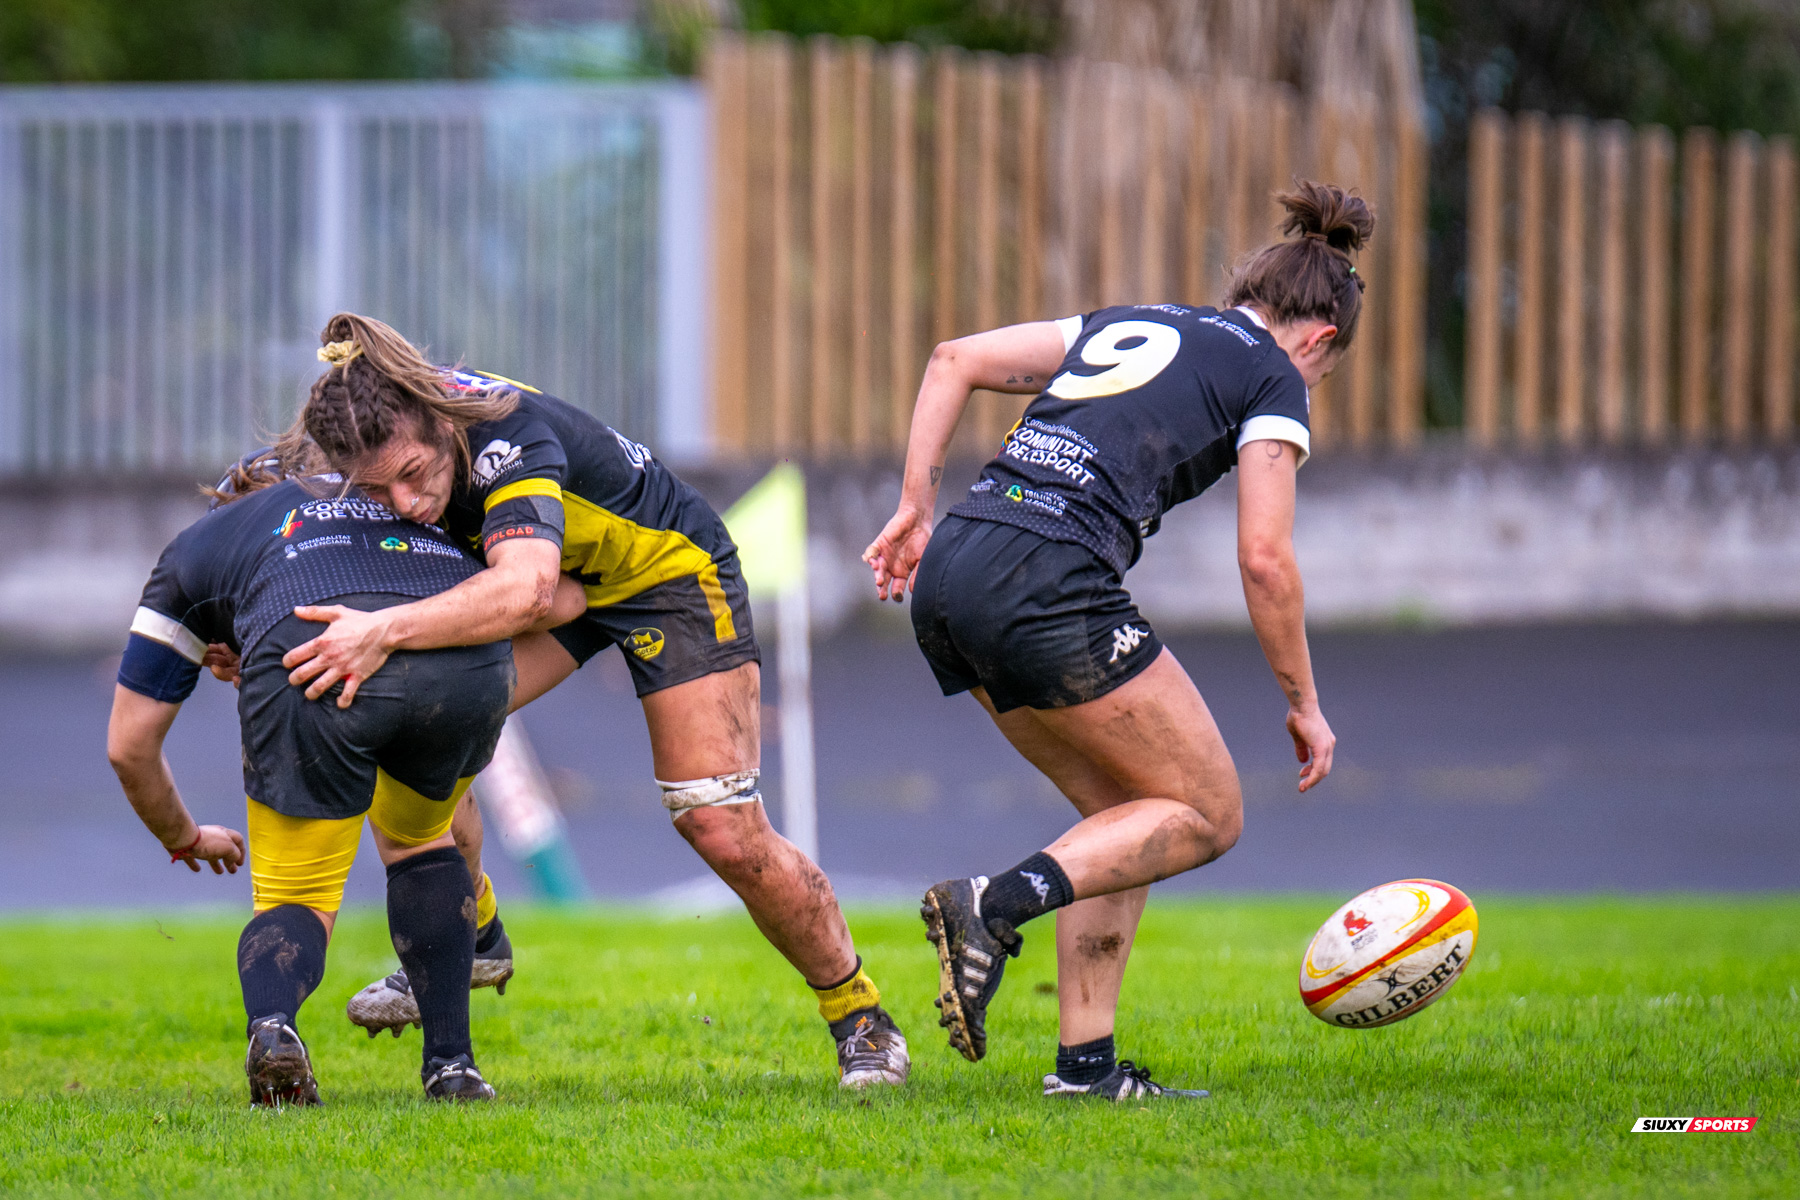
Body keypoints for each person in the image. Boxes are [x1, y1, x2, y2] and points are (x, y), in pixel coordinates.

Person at [268, 313, 909, 1088]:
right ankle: (471, 931)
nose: (405, 503)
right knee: (406, 730)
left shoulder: (509, 437)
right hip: (563, 587)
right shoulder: (367, 426)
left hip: (666, 576)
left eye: (413, 474)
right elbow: (255, 510)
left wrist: (383, 630)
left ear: (438, 421)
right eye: (380, 489)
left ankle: (861, 1015)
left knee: (718, 823)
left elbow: (528, 588)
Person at [863, 181, 1364, 1100]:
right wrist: (1304, 704)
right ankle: (993, 905)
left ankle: (1084, 1070)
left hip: (955, 561)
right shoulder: (1276, 376)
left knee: (1129, 813)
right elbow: (1265, 560)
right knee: (1210, 813)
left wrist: (913, 505)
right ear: (1321, 337)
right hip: (1049, 575)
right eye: (1324, 375)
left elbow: (952, 357)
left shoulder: (1126, 322)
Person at [106, 463, 540, 1106]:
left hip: (308, 653)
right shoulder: (410, 494)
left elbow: (128, 745)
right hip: (470, 662)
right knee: (423, 844)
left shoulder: (199, 550)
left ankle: (275, 1029)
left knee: (298, 894)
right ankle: (453, 1067)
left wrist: (185, 836)